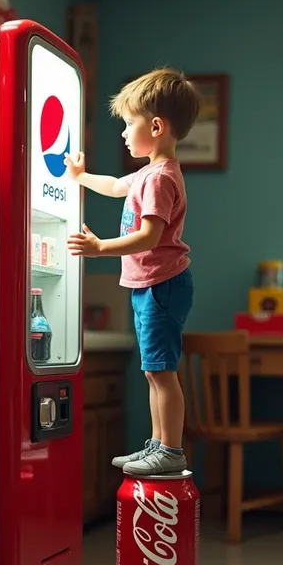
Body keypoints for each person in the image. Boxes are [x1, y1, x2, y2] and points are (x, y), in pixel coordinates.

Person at [65, 68, 202, 475]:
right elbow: (113, 186)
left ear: (156, 126)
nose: (124, 133)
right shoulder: (148, 173)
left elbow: (148, 236)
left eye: (129, 123)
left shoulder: (160, 178)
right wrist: (80, 177)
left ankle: (170, 449)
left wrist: (99, 247)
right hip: (153, 285)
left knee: (161, 372)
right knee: (153, 370)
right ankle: (159, 444)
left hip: (162, 285)